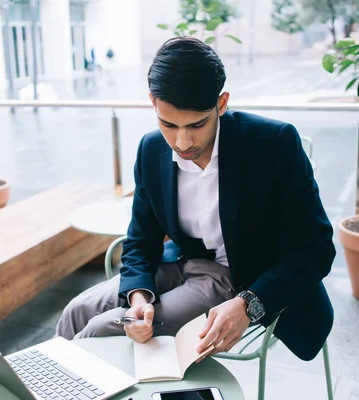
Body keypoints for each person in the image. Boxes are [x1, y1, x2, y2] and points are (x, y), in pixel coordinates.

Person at [56, 37, 335, 362]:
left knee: (99, 332)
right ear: (153, 103)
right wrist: (138, 296)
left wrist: (249, 304)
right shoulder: (150, 150)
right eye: (168, 124)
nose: (182, 141)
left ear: (222, 103)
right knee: (75, 312)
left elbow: (317, 250)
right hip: (182, 262)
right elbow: (140, 240)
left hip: (243, 280)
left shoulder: (272, 144)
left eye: (197, 124)